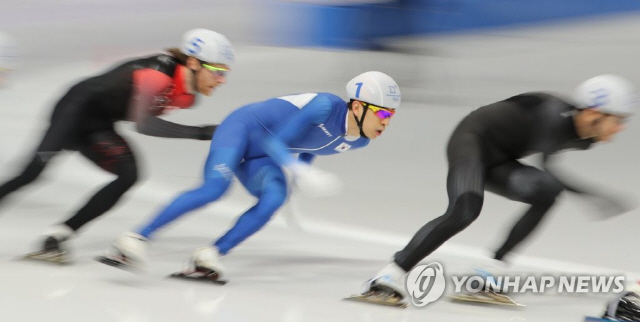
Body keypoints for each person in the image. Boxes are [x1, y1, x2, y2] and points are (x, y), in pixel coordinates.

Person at [357, 74, 638, 305]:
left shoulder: (586, 137)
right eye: (619, 119)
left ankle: (487, 274)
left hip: (500, 159)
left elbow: (547, 174)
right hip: (471, 141)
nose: (620, 128)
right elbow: (548, 166)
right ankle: (386, 277)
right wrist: (594, 196)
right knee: (464, 211)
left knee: (546, 193)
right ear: (593, 112)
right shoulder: (554, 115)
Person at [97, 71, 401, 281]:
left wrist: (301, 175)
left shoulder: (360, 139)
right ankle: (135, 239)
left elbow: (314, 144)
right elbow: (275, 142)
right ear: (359, 106)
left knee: (274, 199)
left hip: (263, 155)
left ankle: (210, 254)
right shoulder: (325, 105)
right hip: (242, 129)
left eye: (392, 115)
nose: (387, 122)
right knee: (215, 188)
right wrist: (296, 169)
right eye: (384, 113)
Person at [0, 28, 234, 263]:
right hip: (73, 110)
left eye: (225, 73)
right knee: (32, 172)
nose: (222, 80)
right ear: (193, 62)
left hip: (98, 125)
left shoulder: (187, 98)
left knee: (128, 174)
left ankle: (58, 235)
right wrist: (202, 132)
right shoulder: (159, 71)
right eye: (217, 71)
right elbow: (144, 124)